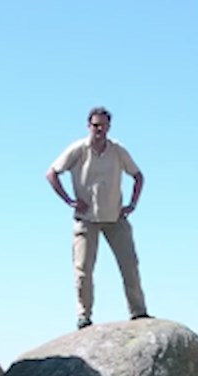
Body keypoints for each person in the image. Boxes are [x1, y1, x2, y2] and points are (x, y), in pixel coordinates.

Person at [46, 107, 149, 329]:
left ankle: (138, 311)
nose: (99, 130)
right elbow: (51, 173)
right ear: (88, 126)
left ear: (109, 127)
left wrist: (132, 205)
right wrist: (70, 200)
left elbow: (138, 176)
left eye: (103, 125)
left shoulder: (118, 150)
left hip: (115, 218)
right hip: (86, 218)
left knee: (129, 265)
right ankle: (84, 316)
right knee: (83, 269)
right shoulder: (78, 150)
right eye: (95, 125)